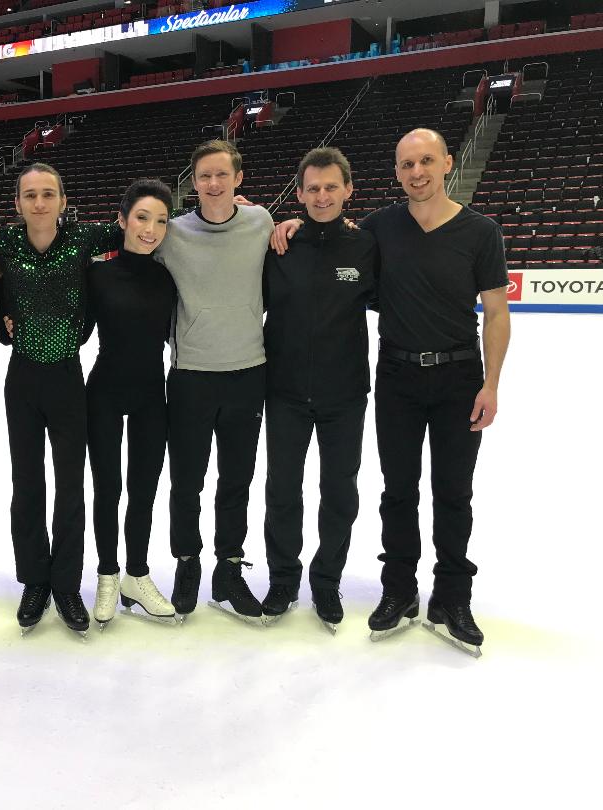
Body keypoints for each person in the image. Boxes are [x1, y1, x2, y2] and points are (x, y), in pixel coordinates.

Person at [272, 129, 510, 656]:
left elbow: (496, 312)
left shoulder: (480, 231)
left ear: (448, 162)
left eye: (426, 161)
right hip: (397, 377)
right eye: (406, 164)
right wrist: (291, 223)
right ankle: (399, 592)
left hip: (458, 377)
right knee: (397, 492)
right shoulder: (379, 228)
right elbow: (328, 235)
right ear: (396, 172)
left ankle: (451, 597)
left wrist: (492, 384)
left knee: (453, 492)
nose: (417, 171)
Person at [0, 162, 121, 637]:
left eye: (49, 194)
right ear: (18, 203)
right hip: (23, 379)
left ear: (64, 201)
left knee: (70, 486)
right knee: (27, 484)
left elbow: (144, 224)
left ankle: (66, 583)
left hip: (69, 378)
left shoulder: (84, 238)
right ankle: (35, 580)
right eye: (30, 195)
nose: (40, 203)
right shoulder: (2, 243)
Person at [155, 139, 274, 624]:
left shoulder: (261, 222)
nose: (214, 183)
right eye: (204, 175)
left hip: (248, 370)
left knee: (237, 480)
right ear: (194, 181)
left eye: (222, 174)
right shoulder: (173, 234)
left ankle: (228, 567)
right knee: (187, 480)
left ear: (238, 179)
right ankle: (187, 562)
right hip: (191, 376)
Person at [260, 147, 378, 633]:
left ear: (348, 190)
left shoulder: (366, 247)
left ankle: (326, 580)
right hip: (284, 392)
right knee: (282, 492)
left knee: (339, 492)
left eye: (331, 187)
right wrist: (277, 224)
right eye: (313, 188)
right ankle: (284, 578)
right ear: (300, 193)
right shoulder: (277, 246)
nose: (322, 196)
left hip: (344, 394)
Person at [84, 179, 178, 629]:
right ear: (122, 220)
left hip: (150, 396)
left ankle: (135, 575)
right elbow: (70, 319)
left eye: (161, 220)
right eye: (142, 217)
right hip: (103, 391)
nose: (151, 228)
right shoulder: (97, 271)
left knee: (143, 490)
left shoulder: (167, 275)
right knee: (108, 489)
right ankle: (107, 573)